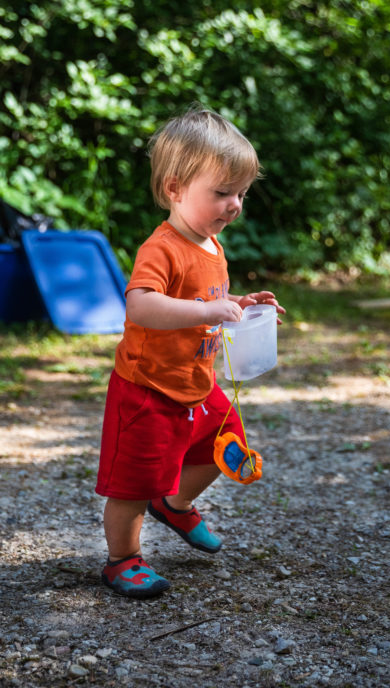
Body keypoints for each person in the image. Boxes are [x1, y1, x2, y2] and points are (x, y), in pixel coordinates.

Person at [95, 106, 284, 598]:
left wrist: (240, 304)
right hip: (149, 390)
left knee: (226, 447)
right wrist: (207, 312)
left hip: (196, 384)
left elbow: (205, 300)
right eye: (221, 192)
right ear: (176, 188)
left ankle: (174, 505)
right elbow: (141, 305)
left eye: (240, 193)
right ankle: (123, 560)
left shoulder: (212, 245)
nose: (234, 204)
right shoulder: (163, 247)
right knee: (131, 485)